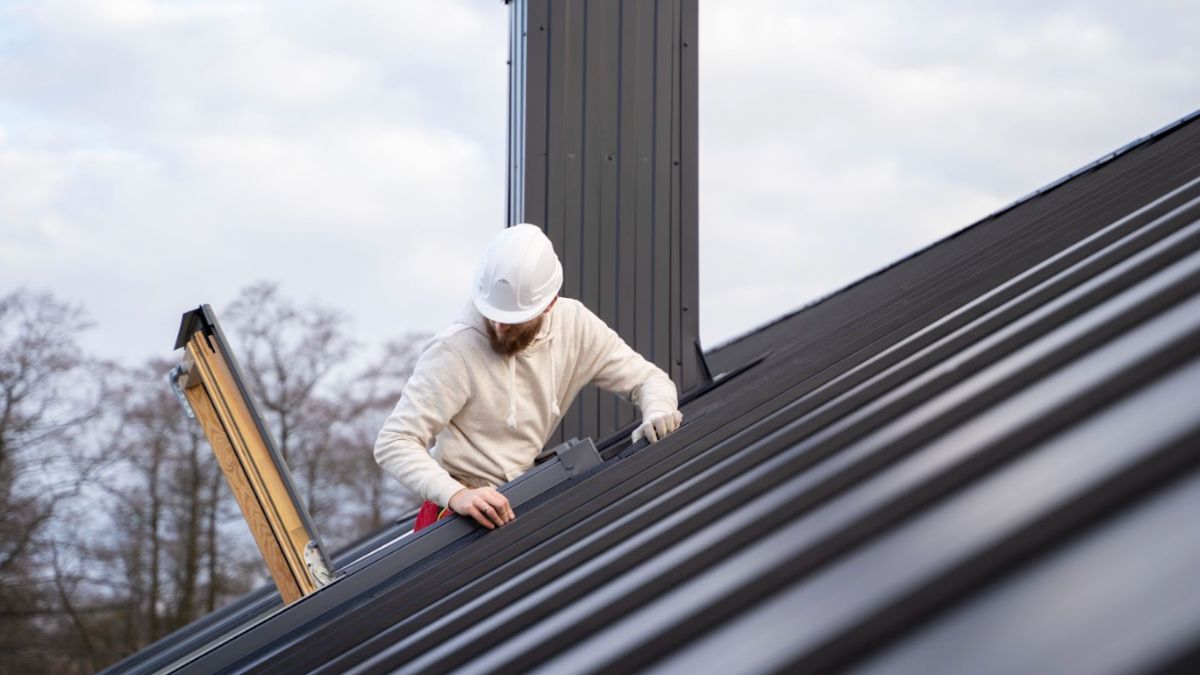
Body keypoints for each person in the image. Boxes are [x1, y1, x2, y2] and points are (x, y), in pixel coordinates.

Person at [374, 224, 682, 532]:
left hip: (517, 502)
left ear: (549, 304)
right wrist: (458, 495)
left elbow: (649, 380)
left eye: (511, 319)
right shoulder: (454, 350)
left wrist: (658, 411)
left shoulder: (575, 327)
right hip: (454, 514)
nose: (498, 326)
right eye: (491, 314)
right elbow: (395, 441)